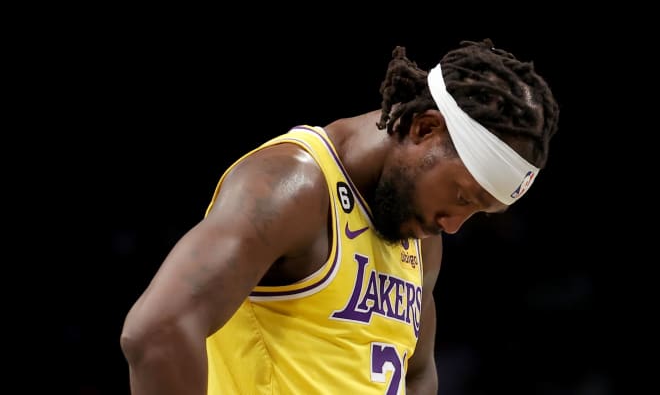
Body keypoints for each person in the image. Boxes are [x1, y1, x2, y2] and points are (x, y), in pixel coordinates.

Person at [120, 38, 560, 395]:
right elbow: (158, 331)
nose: (453, 224)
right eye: (462, 196)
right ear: (424, 128)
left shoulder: (418, 235)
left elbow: (418, 374)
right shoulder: (292, 188)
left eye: (478, 213)